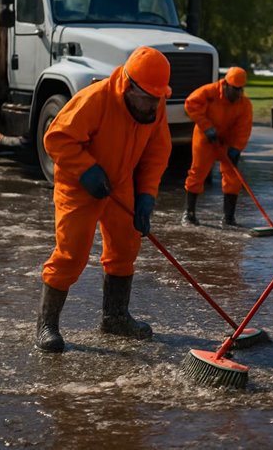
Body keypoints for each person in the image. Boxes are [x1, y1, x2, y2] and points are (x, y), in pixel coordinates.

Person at [35, 46, 173, 353]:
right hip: (79, 183)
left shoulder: (154, 106)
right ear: (128, 86)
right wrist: (86, 170)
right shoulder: (95, 99)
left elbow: (156, 153)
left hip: (120, 182)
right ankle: (47, 325)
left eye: (158, 98)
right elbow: (55, 137)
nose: (154, 106)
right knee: (71, 255)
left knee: (125, 246)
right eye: (149, 98)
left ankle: (115, 317)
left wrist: (146, 197)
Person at [181, 67, 253, 227]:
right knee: (198, 173)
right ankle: (189, 213)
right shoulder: (209, 92)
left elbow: (244, 128)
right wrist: (207, 127)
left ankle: (229, 218)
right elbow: (190, 104)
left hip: (227, 142)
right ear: (225, 84)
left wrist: (236, 148)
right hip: (206, 139)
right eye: (234, 89)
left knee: (233, 178)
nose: (237, 93)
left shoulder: (244, 105)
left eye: (240, 89)